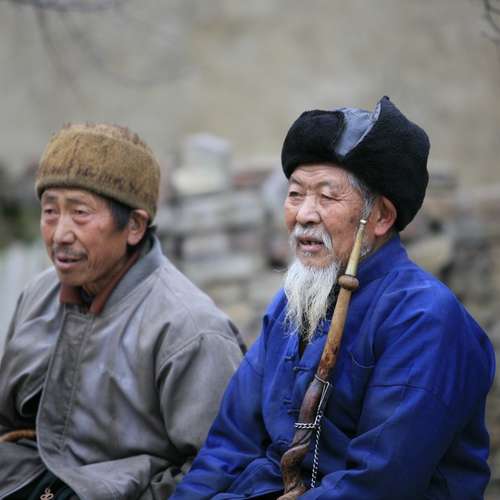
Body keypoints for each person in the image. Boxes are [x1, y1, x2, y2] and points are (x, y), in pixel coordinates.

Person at [172, 96, 496, 499]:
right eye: (295, 194)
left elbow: (378, 483)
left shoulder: (425, 320)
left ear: (381, 217)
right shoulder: (289, 307)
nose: (304, 214)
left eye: (327, 197)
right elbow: (228, 446)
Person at [0, 123, 245, 499]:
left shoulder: (190, 329)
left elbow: (221, 470)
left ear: (134, 226)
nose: (60, 233)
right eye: (50, 211)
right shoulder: (38, 295)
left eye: (80, 213)